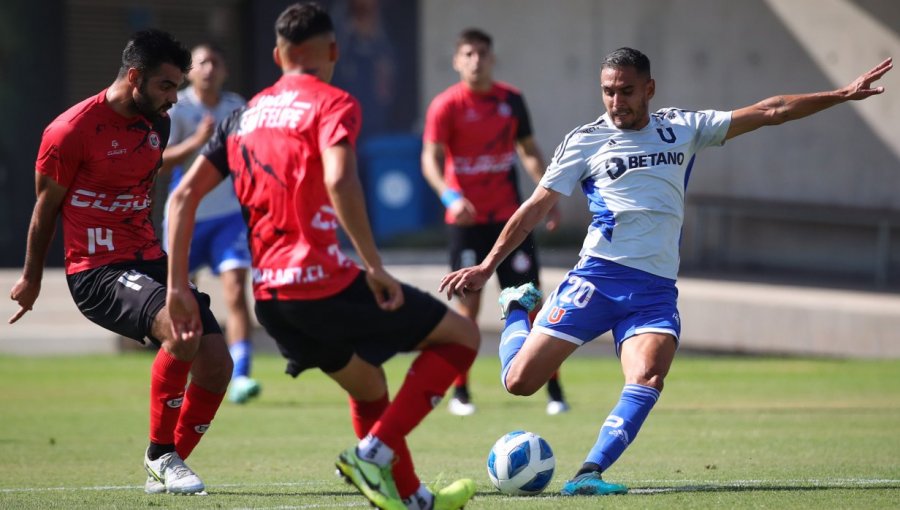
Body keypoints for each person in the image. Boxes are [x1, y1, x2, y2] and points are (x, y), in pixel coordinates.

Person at [440, 47, 893, 496]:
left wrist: (840, 94)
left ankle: (589, 473)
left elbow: (771, 110)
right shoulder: (585, 140)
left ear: (649, 89)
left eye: (627, 91)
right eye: (608, 92)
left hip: (654, 290)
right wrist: (488, 266)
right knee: (519, 383)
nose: (617, 102)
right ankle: (517, 308)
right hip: (596, 279)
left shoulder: (682, 127)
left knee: (648, 376)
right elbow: (533, 209)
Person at [165, 4, 480, 510]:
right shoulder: (333, 103)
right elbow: (339, 179)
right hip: (321, 285)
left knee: (369, 384)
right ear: (332, 51)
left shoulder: (241, 116)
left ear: (277, 55)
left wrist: (178, 286)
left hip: (270, 296)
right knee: (462, 338)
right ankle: (373, 452)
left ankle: (412, 496)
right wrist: (374, 266)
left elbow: (181, 198)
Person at [8, 29, 232, 495]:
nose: (175, 98)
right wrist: (30, 278)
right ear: (135, 77)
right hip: (96, 270)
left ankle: (168, 465)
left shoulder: (158, 122)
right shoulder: (69, 131)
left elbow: (141, 183)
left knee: (216, 363)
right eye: (166, 86)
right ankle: (161, 456)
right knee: (180, 328)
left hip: (147, 258)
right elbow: (44, 209)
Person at [422, 28, 570, 417]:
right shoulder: (445, 106)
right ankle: (461, 393)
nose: (475, 60)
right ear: (457, 60)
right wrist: (451, 197)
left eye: (482, 53)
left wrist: (547, 195)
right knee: (467, 310)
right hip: (466, 223)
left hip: (511, 223)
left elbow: (529, 151)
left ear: (492, 58)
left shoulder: (511, 101)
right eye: (468, 54)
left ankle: (553, 390)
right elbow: (430, 159)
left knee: (530, 303)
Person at [160, 43, 260, 404]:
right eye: (202, 62)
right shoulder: (178, 107)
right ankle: (181, 371)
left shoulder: (238, 107)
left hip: (228, 219)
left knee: (235, 289)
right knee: (183, 297)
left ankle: (243, 374)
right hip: (186, 216)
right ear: (190, 71)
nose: (209, 69)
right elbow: (160, 161)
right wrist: (199, 142)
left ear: (225, 70)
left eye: (216, 62)